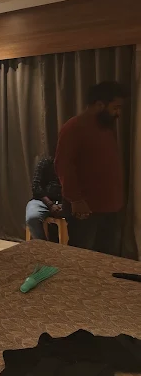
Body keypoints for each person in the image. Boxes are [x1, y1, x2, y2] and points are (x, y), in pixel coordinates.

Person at [54, 81, 128, 255]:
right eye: (115, 108)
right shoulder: (73, 127)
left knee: (108, 257)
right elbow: (63, 165)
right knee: (82, 257)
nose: (118, 113)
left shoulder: (107, 128)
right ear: (100, 105)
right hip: (85, 208)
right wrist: (76, 200)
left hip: (111, 206)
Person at [25, 157, 62, 241]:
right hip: (42, 201)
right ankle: (43, 245)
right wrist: (50, 204)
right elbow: (36, 187)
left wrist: (64, 204)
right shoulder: (46, 162)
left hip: (64, 202)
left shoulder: (72, 165)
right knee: (32, 218)